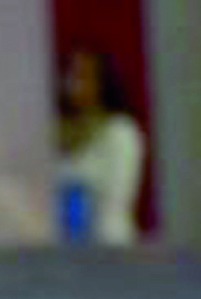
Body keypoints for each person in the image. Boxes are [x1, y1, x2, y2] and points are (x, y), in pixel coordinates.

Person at [54, 48, 143, 247]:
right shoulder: (61, 132)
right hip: (67, 249)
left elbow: (117, 198)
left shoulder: (120, 131)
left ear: (101, 83)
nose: (72, 85)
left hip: (109, 245)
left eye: (81, 77)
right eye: (69, 76)